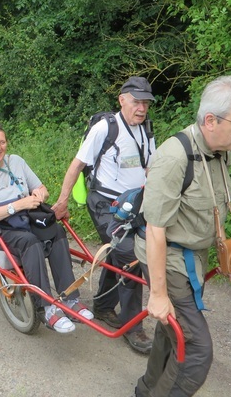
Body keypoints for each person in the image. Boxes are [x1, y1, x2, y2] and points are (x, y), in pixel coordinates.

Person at [133, 75, 231, 397]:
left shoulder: (220, 152)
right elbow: (155, 230)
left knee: (169, 332)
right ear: (210, 120)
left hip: (195, 255)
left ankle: (146, 390)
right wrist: (159, 295)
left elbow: (213, 208)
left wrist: (223, 256)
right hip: (169, 257)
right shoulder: (174, 157)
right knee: (196, 350)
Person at [51, 76, 156, 353]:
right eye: (136, 102)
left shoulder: (146, 129)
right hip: (106, 204)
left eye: (146, 103)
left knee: (118, 252)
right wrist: (62, 202)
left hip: (137, 204)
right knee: (130, 256)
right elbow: (76, 166)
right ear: (122, 100)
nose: (142, 108)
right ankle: (133, 327)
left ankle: (103, 305)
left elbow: (151, 168)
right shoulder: (105, 128)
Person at [0, 124, 94, 333]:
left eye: (2, 142)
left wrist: (38, 195)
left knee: (58, 233)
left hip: (26, 219)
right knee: (30, 242)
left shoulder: (16, 161)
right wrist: (17, 205)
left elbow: (40, 187)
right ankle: (46, 308)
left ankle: (70, 299)